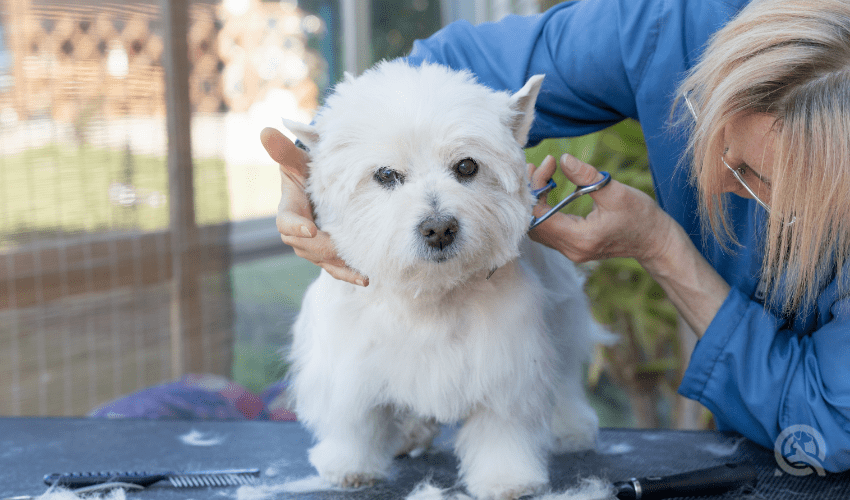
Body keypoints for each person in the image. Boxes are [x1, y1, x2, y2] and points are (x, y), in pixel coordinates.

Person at [261, 0, 850, 472]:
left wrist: (661, 246)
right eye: (706, 135)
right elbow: (439, 74)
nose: (709, 182)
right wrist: (323, 166)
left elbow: (828, 423)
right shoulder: (670, 24)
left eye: (757, 177)